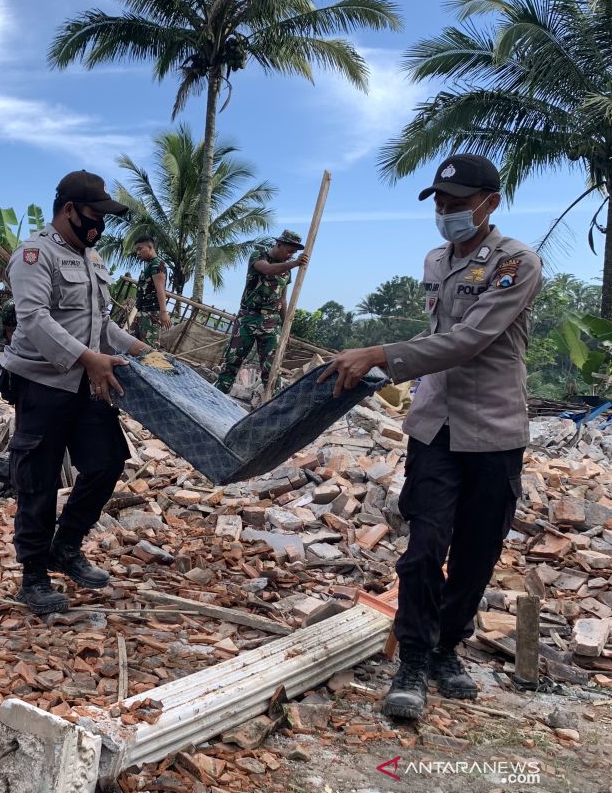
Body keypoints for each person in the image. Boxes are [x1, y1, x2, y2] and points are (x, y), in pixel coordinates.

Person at [319, 154, 543, 721]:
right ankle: (413, 660)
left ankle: (448, 649)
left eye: (456, 202)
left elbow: (471, 340)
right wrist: (382, 366)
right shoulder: (436, 259)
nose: (444, 211)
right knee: (423, 548)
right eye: (438, 201)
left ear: (489, 203)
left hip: (493, 429)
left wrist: (384, 355)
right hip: (435, 425)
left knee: (476, 551)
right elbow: (438, 334)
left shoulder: (517, 262)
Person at [2, 170, 148, 615]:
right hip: (42, 382)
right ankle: (33, 575)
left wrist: (137, 348)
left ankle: (65, 547)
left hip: (88, 382)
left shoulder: (94, 259)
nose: (99, 224)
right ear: (69, 210)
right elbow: (33, 319)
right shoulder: (34, 255)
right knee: (39, 478)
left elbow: (102, 324)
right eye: (95, 214)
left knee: (107, 462)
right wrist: (88, 357)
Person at [215, 230, 309, 395]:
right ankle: (217, 397)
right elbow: (267, 269)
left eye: (293, 253)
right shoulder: (258, 256)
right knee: (232, 362)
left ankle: (273, 405)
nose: (290, 256)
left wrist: (286, 324)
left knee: (271, 369)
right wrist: (294, 263)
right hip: (248, 317)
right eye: (289, 251)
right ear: (278, 244)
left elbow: (283, 299)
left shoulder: (287, 271)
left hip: (271, 322)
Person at [130, 235, 171, 345]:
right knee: (133, 345)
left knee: (149, 349)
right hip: (142, 311)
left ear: (150, 247)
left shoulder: (157, 265)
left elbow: (160, 290)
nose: (138, 253)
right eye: (136, 250)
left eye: (140, 249)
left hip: (151, 314)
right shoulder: (150, 265)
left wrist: (163, 312)